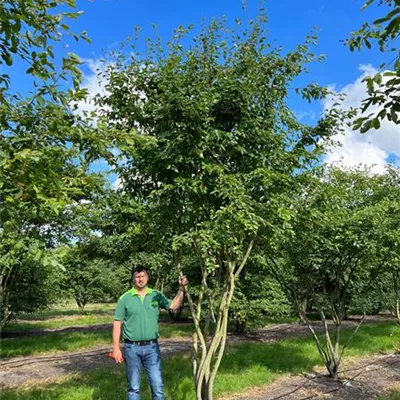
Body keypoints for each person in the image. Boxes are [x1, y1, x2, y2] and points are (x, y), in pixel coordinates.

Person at [112, 265, 188, 400]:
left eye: (142, 276)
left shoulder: (155, 295)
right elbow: (117, 323)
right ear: (133, 279)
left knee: (157, 385)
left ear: (147, 278)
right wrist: (116, 348)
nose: (140, 279)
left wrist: (181, 288)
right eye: (137, 276)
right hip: (131, 348)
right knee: (133, 388)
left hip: (152, 347)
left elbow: (174, 305)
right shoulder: (124, 298)